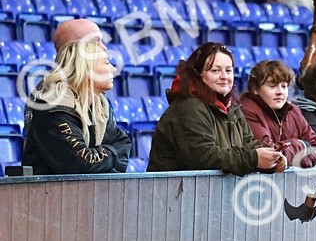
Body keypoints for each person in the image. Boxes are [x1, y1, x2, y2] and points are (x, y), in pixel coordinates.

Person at [147, 42, 282, 174]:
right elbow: (202, 157)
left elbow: (249, 144)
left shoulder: (233, 108)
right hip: (174, 193)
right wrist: (254, 159)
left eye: (228, 70)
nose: (224, 77)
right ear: (199, 75)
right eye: (215, 70)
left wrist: (272, 160)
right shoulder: (189, 107)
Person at [22, 18, 131, 175]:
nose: (104, 47)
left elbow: (124, 144)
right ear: (80, 55)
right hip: (49, 195)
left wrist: (101, 158)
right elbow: (80, 165)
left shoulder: (100, 102)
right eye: (96, 41)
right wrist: (112, 154)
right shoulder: (52, 102)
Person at [240, 59, 316, 168]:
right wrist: (302, 145)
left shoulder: (293, 111)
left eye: (284, 86)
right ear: (255, 89)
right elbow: (271, 155)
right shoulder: (247, 110)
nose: (280, 92)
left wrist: (294, 159)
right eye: (272, 86)